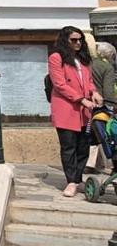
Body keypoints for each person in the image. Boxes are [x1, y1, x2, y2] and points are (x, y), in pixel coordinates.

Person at [49, 26, 102, 197]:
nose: (78, 43)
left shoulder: (84, 59)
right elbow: (60, 84)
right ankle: (71, 180)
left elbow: (90, 81)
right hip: (67, 109)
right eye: (73, 40)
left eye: (80, 39)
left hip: (84, 111)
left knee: (83, 146)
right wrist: (81, 99)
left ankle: (77, 179)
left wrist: (94, 92)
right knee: (69, 146)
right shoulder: (56, 58)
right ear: (65, 40)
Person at [90, 42, 117, 172]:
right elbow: (108, 90)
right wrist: (113, 107)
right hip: (101, 104)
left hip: (87, 103)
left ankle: (89, 164)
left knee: (90, 134)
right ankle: (111, 165)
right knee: (107, 135)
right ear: (110, 54)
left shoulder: (90, 64)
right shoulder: (107, 68)